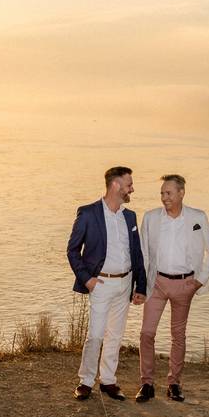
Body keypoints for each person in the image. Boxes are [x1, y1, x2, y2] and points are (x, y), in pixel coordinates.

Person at [135, 174, 209, 403]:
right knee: (146, 333)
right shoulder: (151, 218)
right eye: (162, 193)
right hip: (157, 283)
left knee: (178, 335)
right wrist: (140, 285)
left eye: (168, 193)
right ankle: (146, 383)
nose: (164, 198)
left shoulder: (198, 217)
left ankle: (174, 384)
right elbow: (142, 254)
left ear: (181, 193)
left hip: (185, 285)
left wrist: (199, 281)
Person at [67, 166, 148, 401]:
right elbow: (72, 251)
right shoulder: (88, 214)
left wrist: (140, 286)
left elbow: (137, 253)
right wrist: (88, 279)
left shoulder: (129, 216)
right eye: (129, 184)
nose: (132, 188)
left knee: (115, 335)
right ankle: (86, 381)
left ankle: (109, 381)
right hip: (101, 284)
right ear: (115, 185)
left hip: (124, 284)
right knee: (95, 335)